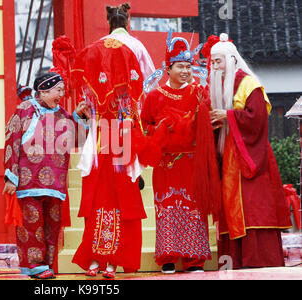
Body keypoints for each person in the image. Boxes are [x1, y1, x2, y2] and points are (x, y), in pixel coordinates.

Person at [70, 3, 163, 278]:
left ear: (107, 20)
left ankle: (100, 260)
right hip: (120, 133)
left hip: (101, 134)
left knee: (100, 197)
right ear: (128, 18)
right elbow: (145, 86)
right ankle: (109, 259)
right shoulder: (136, 47)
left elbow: (87, 98)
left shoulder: (93, 49)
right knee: (119, 196)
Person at [208, 33, 292, 269]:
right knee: (230, 206)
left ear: (231, 59)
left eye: (218, 61)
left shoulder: (249, 85)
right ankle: (234, 262)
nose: (215, 66)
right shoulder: (217, 86)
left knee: (253, 207)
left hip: (249, 156)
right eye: (212, 62)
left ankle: (258, 262)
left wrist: (229, 116)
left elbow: (257, 121)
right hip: (228, 157)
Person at [140, 32, 221, 274]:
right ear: (168, 68)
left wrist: (196, 119)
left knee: (193, 208)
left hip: (192, 162)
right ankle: (168, 257)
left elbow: (207, 122)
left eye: (188, 66)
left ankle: (194, 260)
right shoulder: (154, 96)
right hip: (166, 164)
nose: (185, 71)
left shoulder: (199, 92)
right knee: (167, 208)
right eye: (180, 66)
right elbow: (145, 128)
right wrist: (164, 127)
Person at [3, 72, 90, 279]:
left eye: (62, 90)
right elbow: (11, 143)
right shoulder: (24, 110)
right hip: (27, 180)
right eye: (58, 90)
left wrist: (77, 116)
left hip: (55, 183)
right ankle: (35, 266)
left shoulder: (61, 114)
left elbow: (76, 140)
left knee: (52, 226)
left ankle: (46, 265)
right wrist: (11, 176)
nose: (61, 94)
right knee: (31, 225)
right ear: (43, 90)